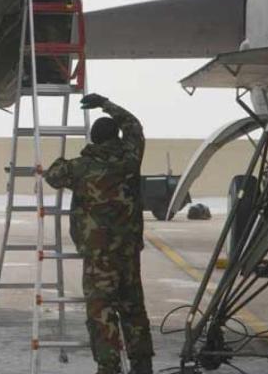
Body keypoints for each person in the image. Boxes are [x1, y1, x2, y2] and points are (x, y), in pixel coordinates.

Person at [44, 94, 154, 374]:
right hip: (128, 252)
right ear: (115, 136)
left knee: (101, 312)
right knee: (133, 310)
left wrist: (66, 160)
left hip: (98, 255)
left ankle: (109, 367)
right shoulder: (131, 156)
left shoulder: (82, 168)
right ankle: (142, 366)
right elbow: (133, 125)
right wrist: (106, 103)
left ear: (93, 140)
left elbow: (54, 176)